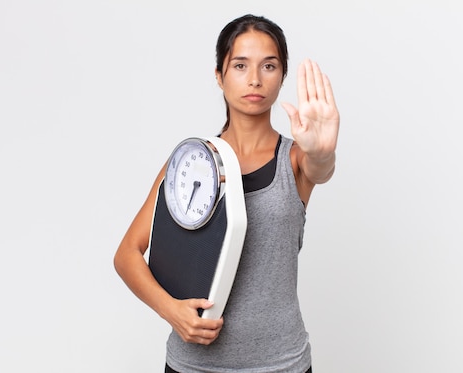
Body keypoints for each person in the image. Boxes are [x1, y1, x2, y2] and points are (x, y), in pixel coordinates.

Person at [114, 14, 339, 373]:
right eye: (240, 65)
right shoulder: (189, 163)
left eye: (269, 65)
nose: (254, 79)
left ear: (282, 76)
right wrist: (171, 310)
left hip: (282, 365)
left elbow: (321, 169)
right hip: (194, 366)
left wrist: (323, 151)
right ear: (219, 76)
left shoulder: (296, 159)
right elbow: (127, 254)